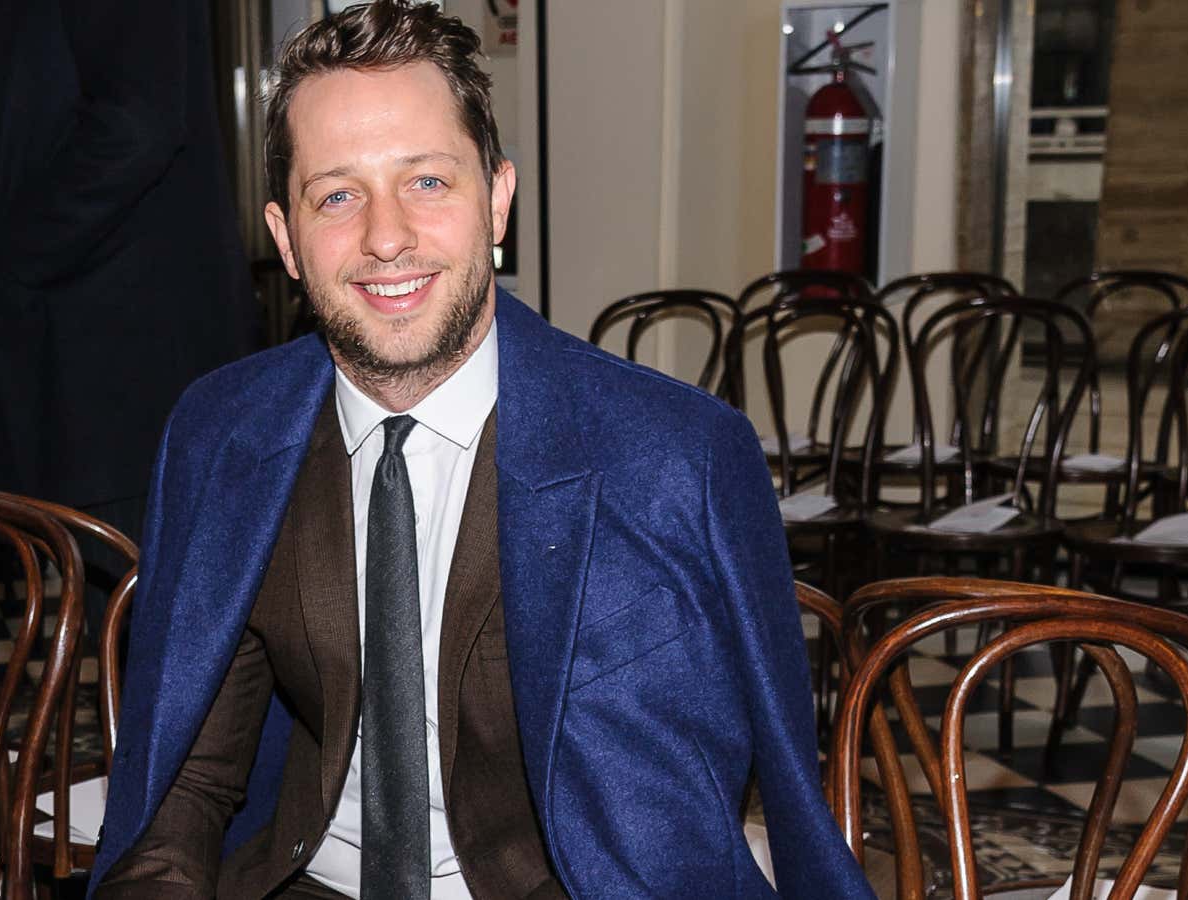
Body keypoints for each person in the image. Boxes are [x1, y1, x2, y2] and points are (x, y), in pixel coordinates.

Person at [89, 2, 874, 898]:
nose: (386, 238)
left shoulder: (673, 460)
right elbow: (185, 781)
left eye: (427, 182)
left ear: (497, 200)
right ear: (286, 241)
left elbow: (706, 828)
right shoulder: (222, 432)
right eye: (337, 195)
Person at [0, 0, 258, 624]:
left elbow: (138, 125)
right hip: (89, 348)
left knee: (148, 636)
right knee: (124, 632)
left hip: (119, 356)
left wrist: (16, 255)